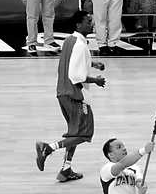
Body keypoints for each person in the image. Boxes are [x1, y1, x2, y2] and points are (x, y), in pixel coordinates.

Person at [35, 10, 105, 181]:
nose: (91, 23)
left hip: (63, 93)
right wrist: (95, 80)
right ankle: (48, 148)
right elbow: (76, 75)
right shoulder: (80, 45)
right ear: (78, 25)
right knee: (83, 133)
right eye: (88, 21)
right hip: (74, 95)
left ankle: (66, 169)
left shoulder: (70, 41)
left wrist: (93, 63)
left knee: (74, 133)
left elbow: (73, 62)